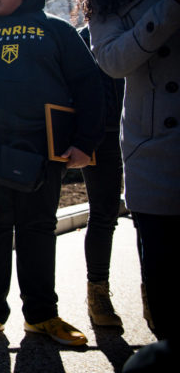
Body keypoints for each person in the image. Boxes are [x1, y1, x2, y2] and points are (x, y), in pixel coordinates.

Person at [0, 0, 104, 347]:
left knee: (37, 229)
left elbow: (89, 86)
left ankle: (42, 316)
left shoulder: (56, 29)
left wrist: (85, 143)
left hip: (42, 151)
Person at [78, 0, 180, 344]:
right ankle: (101, 290)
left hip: (136, 131)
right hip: (128, 135)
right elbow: (102, 70)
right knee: (104, 215)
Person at [79, 25, 125, 327]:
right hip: (103, 135)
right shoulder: (82, 36)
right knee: (104, 214)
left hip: (151, 127)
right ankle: (98, 292)